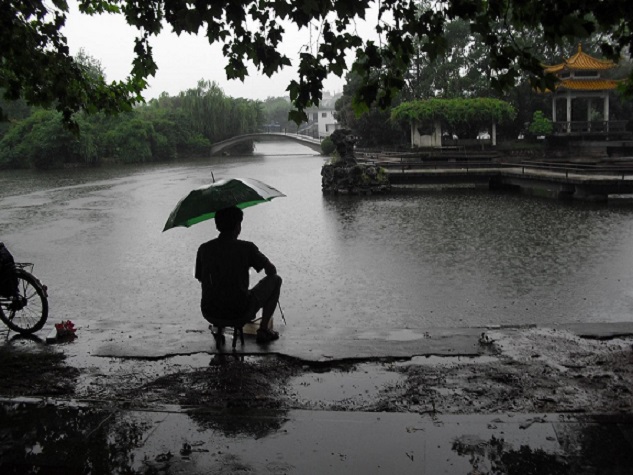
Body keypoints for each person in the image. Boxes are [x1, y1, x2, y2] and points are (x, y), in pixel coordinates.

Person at [195, 206, 282, 344]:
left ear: (217, 226)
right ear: (237, 226)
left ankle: (219, 327)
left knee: (219, 289)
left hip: (209, 312)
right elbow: (271, 270)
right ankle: (263, 330)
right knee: (276, 280)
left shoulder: (204, 249)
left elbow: (201, 279)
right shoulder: (247, 248)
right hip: (239, 312)